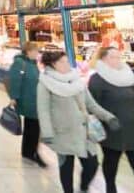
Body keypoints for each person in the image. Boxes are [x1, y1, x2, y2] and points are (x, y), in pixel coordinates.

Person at [36, 51, 119, 193]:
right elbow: (43, 110)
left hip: (84, 131)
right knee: (66, 166)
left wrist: (109, 117)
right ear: (54, 65)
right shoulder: (45, 83)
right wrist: (47, 132)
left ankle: (84, 185)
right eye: (63, 62)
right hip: (62, 132)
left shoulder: (76, 80)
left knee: (92, 165)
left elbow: (91, 104)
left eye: (67, 61)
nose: (67, 64)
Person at [88, 47, 134, 193]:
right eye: (113, 57)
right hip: (113, 131)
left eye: (119, 57)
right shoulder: (97, 80)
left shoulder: (128, 77)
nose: (118, 60)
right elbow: (92, 107)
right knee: (111, 164)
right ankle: (110, 188)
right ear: (103, 59)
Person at [7, 42, 45, 167]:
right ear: (28, 51)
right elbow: (14, 80)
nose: (37, 53)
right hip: (27, 100)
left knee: (30, 126)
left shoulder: (33, 64)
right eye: (36, 51)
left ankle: (27, 152)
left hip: (34, 99)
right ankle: (33, 152)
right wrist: (13, 97)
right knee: (35, 126)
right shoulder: (20, 63)